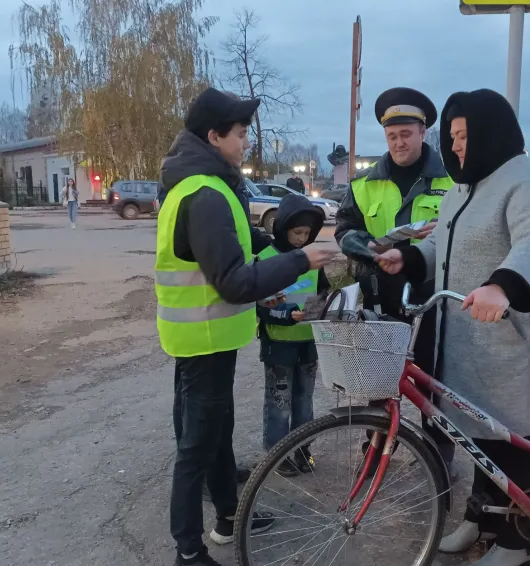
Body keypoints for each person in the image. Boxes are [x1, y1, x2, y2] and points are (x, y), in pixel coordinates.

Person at [375, 89, 530, 566]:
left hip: (508, 339)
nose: (456, 145)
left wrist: (503, 286)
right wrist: (411, 256)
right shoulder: (463, 185)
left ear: (489, 131)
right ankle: (482, 517)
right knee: (475, 433)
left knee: (511, 437)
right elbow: (443, 240)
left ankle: (519, 538)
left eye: (463, 135)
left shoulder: (526, 180)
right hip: (466, 336)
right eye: (453, 136)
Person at [156, 87, 335, 566]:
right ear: (214, 136)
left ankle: (228, 519)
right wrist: (300, 259)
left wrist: (289, 241)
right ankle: (188, 551)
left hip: (206, 336)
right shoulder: (206, 193)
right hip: (205, 338)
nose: (245, 143)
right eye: (240, 134)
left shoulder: (207, 185)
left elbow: (243, 245)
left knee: (214, 433)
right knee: (196, 445)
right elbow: (234, 281)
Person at [334, 86, 456, 474]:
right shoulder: (363, 184)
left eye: (407, 134)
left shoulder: (452, 182)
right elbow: (345, 229)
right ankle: (375, 450)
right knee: (379, 379)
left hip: (433, 298)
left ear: (423, 132)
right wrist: (366, 248)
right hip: (381, 298)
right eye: (392, 136)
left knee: (434, 379)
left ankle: (438, 456)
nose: (399, 142)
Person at [255, 193, 330, 475]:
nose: (302, 239)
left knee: (304, 401)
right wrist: (286, 315)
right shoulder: (265, 259)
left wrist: (325, 307)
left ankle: (302, 449)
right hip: (279, 345)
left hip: (308, 343)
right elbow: (258, 307)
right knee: (279, 403)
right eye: (297, 232)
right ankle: (277, 454)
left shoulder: (312, 259)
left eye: (307, 233)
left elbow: (323, 292)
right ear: (283, 227)